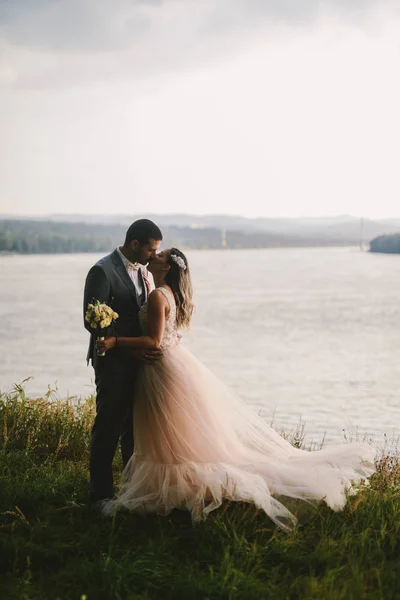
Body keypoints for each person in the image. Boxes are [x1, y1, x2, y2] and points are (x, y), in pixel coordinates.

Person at [97, 248, 376, 530]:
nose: (153, 256)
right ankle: (173, 490)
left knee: (167, 433)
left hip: (161, 368)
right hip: (171, 364)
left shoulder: (158, 295)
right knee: (173, 434)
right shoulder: (166, 292)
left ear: (167, 267)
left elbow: (155, 341)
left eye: (160, 255)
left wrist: (115, 342)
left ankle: (173, 493)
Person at [83, 218, 163, 504]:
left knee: (134, 429)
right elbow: (93, 322)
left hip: (139, 363)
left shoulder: (143, 272)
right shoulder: (102, 271)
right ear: (134, 244)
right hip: (113, 363)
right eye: (150, 250)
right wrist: (129, 350)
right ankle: (100, 495)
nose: (153, 256)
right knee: (108, 427)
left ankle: (131, 491)